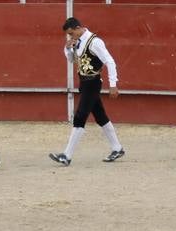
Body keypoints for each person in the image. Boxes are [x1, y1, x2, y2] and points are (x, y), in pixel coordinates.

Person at [49, 17, 125, 165]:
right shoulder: (77, 41)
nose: (71, 36)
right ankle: (117, 148)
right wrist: (67, 48)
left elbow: (110, 61)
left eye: (72, 33)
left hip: (93, 83)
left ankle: (67, 155)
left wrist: (113, 84)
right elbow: (72, 60)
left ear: (78, 28)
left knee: (79, 117)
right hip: (84, 83)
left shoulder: (95, 42)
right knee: (100, 117)